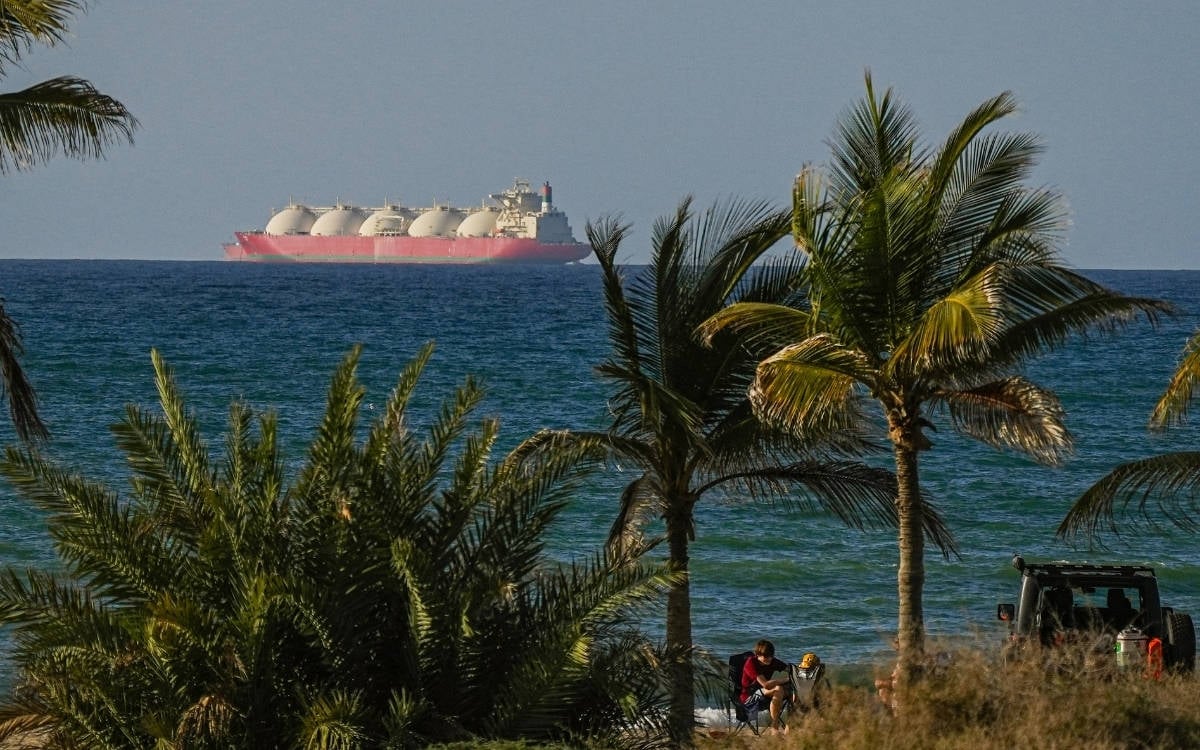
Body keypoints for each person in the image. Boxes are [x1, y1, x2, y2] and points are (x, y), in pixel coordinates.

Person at [740, 639, 791, 732]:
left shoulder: (772, 661)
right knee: (778, 688)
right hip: (749, 697)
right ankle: (775, 726)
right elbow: (766, 685)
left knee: (793, 691)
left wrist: (803, 671)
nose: (769, 659)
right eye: (765, 656)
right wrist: (787, 679)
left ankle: (790, 726)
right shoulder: (751, 663)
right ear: (757, 655)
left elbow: (790, 669)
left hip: (764, 694)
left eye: (771, 656)